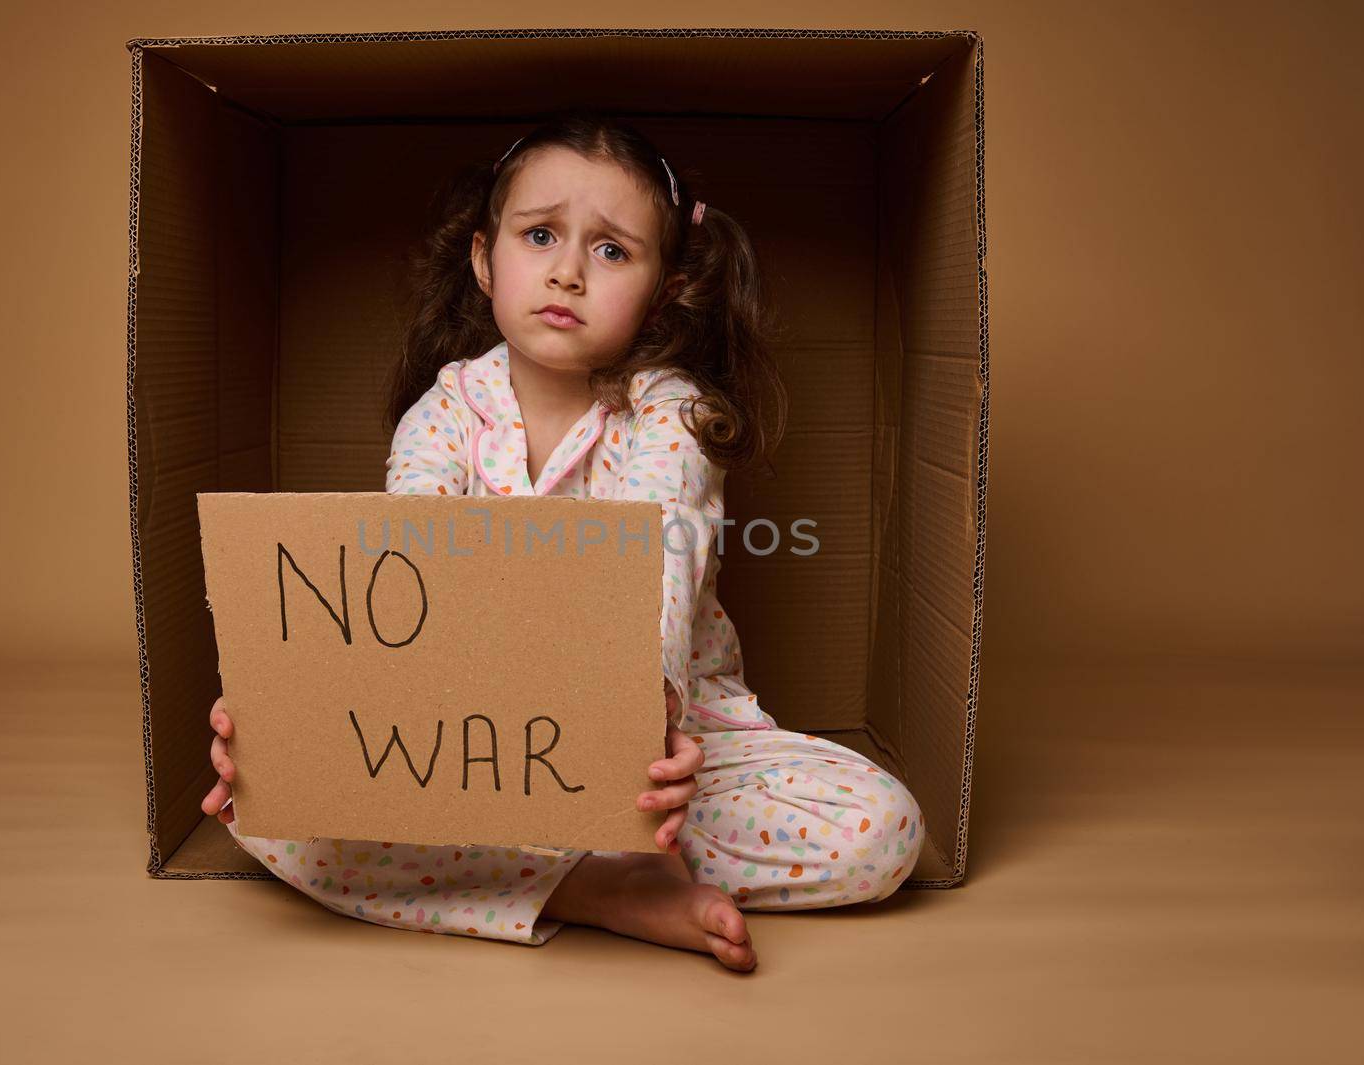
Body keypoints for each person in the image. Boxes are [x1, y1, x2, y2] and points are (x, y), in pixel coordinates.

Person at [200, 110, 925, 972]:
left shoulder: (672, 413)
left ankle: (598, 857)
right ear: (483, 258)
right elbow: (400, 590)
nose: (569, 272)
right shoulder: (446, 413)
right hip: (475, 743)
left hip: (672, 738)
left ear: (661, 289)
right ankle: (589, 887)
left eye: (612, 250)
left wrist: (641, 723)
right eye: (540, 235)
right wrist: (290, 721)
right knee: (264, 811)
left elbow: (661, 546)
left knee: (884, 829)